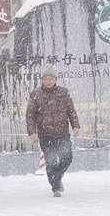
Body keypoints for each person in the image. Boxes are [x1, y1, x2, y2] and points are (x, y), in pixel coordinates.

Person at [26, 66, 79, 197]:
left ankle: (58, 177)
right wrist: (32, 133)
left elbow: (71, 111)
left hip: (62, 133)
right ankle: (55, 186)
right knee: (50, 162)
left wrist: (76, 125)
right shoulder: (36, 94)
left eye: (51, 79)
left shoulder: (63, 93)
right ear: (42, 80)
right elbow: (30, 116)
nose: (48, 81)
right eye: (46, 79)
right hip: (45, 134)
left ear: (55, 80)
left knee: (67, 158)